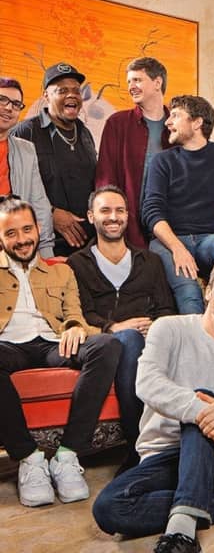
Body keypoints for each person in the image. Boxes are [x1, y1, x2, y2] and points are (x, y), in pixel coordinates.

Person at [92, 255, 214, 553]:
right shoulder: (169, 329)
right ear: (208, 291)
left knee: (203, 401)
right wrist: (210, 412)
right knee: (108, 508)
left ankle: (181, 536)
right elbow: (147, 384)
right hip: (162, 455)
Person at [0, 196, 120, 507]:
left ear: (38, 229)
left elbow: (74, 313)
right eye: (11, 233)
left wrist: (75, 326)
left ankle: (67, 455)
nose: (22, 239)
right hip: (8, 346)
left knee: (107, 345)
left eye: (27, 229)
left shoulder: (61, 272)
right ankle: (29, 459)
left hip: (53, 343)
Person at [67, 185, 176, 472]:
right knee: (128, 339)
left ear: (128, 216)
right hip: (107, 344)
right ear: (91, 216)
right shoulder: (77, 263)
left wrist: (156, 328)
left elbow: (166, 308)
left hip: (149, 342)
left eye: (119, 211)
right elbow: (81, 313)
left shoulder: (150, 261)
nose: (113, 217)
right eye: (105, 211)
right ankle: (138, 447)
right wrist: (115, 327)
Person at [142, 95, 214, 314]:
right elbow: (151, 212)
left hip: (208, 239)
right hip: (168, 241)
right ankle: (197, 335)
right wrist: (177, 248)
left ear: (197, 122)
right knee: (189, 291)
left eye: (175, 116)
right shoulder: (162, 160)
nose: (168, 122)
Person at [12, 63, 96, 256]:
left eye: (76, 90)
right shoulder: (24, 132)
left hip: (87, 247)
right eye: (62, 90)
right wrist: (50, 213)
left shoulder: (85, 133)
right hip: (43, 245)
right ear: (46, 96)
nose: (72, 95)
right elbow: (11, 190)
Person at [95, 57, 172, 248]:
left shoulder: (177, 125)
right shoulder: (117, 123)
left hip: (171, 226)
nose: (131, 87)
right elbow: (106, 177)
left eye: (137, 80)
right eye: (129, 81)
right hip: (128, 227)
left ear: (157, 83)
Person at [0, 77, 55, 256]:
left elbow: (39, 204)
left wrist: (46, 254)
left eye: (16, 104)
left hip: (16, 248)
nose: (9, 108)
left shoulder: (26, 150)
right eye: (2, 100)